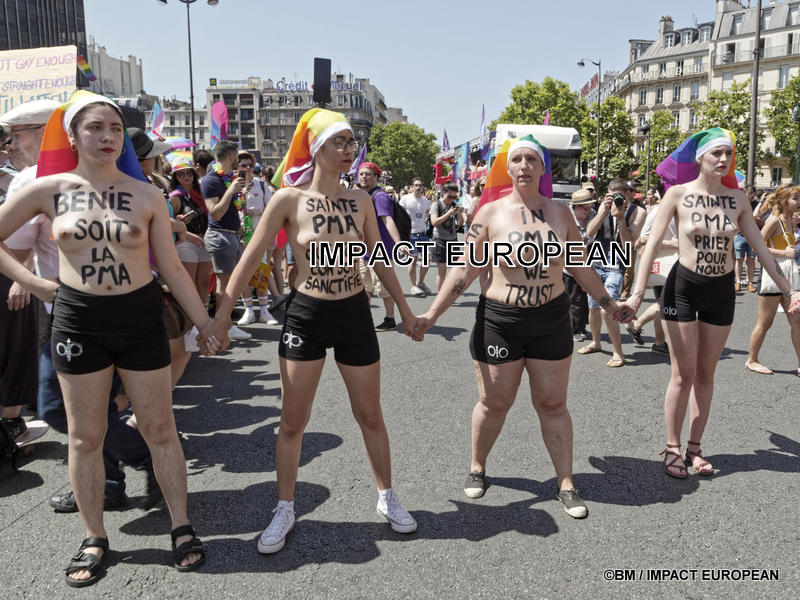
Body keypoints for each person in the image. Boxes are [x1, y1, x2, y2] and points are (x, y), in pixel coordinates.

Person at [0, 91, 221, 585]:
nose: (106, 137)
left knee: (159, 426)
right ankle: (95, 535)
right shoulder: (47, 189)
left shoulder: (147, 195)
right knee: (84, 435)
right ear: (74, 135)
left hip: (140, 317)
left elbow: (171, 268)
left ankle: (181, 524)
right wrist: (34, 283)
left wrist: (205, 324)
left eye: (115, 129)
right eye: (95, 128)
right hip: (79, 321)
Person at [204, 108, 419, 554]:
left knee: (371, 415)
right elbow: (250, 257)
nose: (347, 150)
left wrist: (404, 311)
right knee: (292, 422)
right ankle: (285, 506)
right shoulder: (288, 200)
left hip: (354, 314)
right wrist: (221, 316)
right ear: (316, 149)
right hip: (306, 315)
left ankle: (387, 496)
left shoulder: (360, 201)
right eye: (338, 142)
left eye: (350, 143)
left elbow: (377, 258)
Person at [415, 135, 631, 518]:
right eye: (518, 159)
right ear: (509, 168)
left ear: (543, 168)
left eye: (533, 159)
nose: (525, 165)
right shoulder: (489, 214)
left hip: (550, 320)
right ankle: (478, 466)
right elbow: (466, 269)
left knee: (553, 404)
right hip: (501, 321)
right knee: (495, 402)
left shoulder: (560, 213)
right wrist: (432, 314)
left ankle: (565, 482)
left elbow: (579, 266)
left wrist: (609, 304)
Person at [623, 127, 800, 479]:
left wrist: (789, 290)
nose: (723, 159)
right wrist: (636, 293)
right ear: (700, 158)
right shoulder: (678, 194)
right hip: (683, 288)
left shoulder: (738, 200)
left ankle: (695, 448)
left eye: (728, 154)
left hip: (720, 291)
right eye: (715, 153)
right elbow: (650, 246)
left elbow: (761, 251)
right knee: (682, 373)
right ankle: (672, 447)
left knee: (706, 374)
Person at [0, 99, 58, 440]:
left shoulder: (26, 180)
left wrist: (27, 281)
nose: (12, 144)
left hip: (75, 305)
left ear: (42, 132)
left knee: (56, 404)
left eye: (16, 134)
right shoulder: (26, 180)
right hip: (58, 302)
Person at [578, 178, 642, 367]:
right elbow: (588, 234)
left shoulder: (637, 212)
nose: (616, 200)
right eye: (612, 196)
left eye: (620, 197)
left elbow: (628, 244)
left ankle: (618, 353)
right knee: (593, 307)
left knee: (609, 309)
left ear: (628, 195)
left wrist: (620, 218)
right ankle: (597, 343)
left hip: (615, 266)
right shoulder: (599, 208)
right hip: (595, 262)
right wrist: (603, 211)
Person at [745, 184, 800, 375]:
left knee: (797, 321)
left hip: (790, 278)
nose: (799, 202)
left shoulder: (790, 221)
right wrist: (782, 253)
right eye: (795, 198)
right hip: (771, 277)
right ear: (784, 200)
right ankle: (752, 360)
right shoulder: (774, 221)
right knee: (765, 323)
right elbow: (757, 245)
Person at [199, 140, 251, 341]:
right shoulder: (211, 180)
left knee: (231, 283)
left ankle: (226, 324)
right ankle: (225, 326)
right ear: (231, 158)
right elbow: (215, 212)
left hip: (231, 235)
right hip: (220, 236)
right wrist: (231, 191)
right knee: (224, 284)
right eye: (237, 157)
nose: (239, 161)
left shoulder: (227, 178)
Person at [356, 161, 404, 331]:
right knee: (363, 287)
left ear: (376, 177)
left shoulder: (380, 196)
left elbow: (387, 220)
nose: (364, 177)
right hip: (364, 251)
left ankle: (390, 319)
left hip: (380, 251)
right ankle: (363, 320)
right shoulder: (361, 195)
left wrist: (398, 244)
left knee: (384, 288)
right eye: (361, 173)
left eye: (368, 174)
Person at [236, 151, 279, 326]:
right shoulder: (230, 186)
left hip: (258, 236)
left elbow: (272, 211)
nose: (246, 169)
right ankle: (248, 311)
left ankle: (263, 310)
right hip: (238, 235)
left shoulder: (261, 186)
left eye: (249, 166)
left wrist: (259, 213)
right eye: (243, 165)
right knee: (243, 272)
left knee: (261, 271)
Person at [167, 150, 212, 308]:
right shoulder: (175, 197)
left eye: (188, 173)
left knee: (205, 282)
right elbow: (166, 222)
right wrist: (178, 221)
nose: (186, 176)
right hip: (186, 242)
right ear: (176, 178)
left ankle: (204, 313)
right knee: (189, 282)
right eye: (181, 174)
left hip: (205, 240)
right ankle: (191, 320)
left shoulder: (201, 193)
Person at [564, 188, 593, 342]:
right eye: (585, 208)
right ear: (576, 207)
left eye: (590, 207)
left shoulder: (594, 216)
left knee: (585, 300)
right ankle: (573, 330)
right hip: (570, 267)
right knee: (574, 299)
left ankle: (582, 326)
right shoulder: (567, 219)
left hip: (590, 265)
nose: (589, 211)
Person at [399, 176, 432, 297]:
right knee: (413, 261)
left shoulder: (425, 201)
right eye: (416, 185)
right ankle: (413, 286)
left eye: (420, 185)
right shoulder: (405, 199)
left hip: (422, 235)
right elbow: (400, 216)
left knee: (427, 261)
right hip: (410, 235)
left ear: (423, 187)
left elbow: (428, 214)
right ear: (412, 187)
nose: (418, 187)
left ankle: (420, 282)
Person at [430, 182, 465, 291]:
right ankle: (440, 295)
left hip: (452, 240)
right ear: (443, 193)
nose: (452, 199)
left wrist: (459, 213)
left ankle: (449, 291)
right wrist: (449, 213)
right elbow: (434, 222)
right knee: (442, 270)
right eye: (449, 196)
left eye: (454, 197)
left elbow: (460, 224)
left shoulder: (453, 205)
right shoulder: (437, 205)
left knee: (457, 269)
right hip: (439, 240)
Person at [733, 184, 759, 292]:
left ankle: (750, 282)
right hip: (740, 235)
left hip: (752, 236)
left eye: (752, 195)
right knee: (739, 260)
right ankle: (738, 282)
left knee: (751, 260)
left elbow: (760, 219)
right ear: (745, 193)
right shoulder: (740, 203)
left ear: (754, 194)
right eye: (748, 194)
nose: (750, 197)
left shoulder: (757, 204)